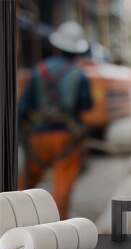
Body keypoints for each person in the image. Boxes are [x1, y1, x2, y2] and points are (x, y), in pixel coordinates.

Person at [18, 21, 93, 219]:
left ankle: (17, 222)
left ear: (57, 46)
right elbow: (86, 106)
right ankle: (58, 227)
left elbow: (24, 106)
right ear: (77, 51)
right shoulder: (79, 76)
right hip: (66, 137)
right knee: (62, 188)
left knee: (26, 185)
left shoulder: (38, 71)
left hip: (37, 136)